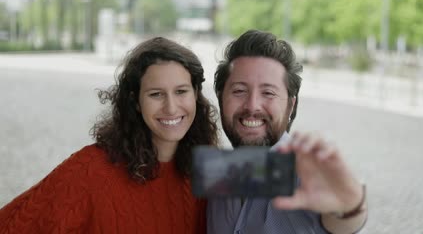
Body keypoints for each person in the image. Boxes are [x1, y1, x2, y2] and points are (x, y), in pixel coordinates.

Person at [0, 37, 219, 233]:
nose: (171, 108)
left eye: (181, 91)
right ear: (135, 101)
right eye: (156, 94)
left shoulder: (214, 168)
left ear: (196, 95)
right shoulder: (90, 171)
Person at [208, 29, 367, 234]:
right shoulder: (218, 175)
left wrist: (351, 208)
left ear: (290, 107)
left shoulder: (304, 174)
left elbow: (342, 219)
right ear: (221, 99)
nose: (252, 106)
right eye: (239, 91)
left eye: (268, 93)